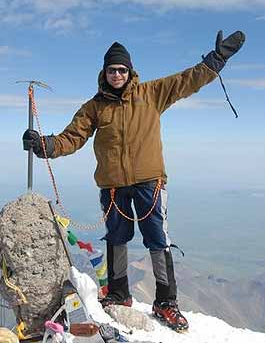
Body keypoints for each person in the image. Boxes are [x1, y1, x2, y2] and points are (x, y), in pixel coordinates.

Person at [23, 30, 245, 332]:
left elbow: (187, 80)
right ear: (105, 72)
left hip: (149, 183)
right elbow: (72, 138)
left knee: (157, 240)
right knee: (116, 238)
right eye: (112, 69)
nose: (117, 74)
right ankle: (118, 294)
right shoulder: (94, 107)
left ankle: (166, 301)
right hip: (113, 186)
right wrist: (46, 145)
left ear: (130, 71)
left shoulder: (151, 93)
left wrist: (215, 60)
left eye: (122, 69)